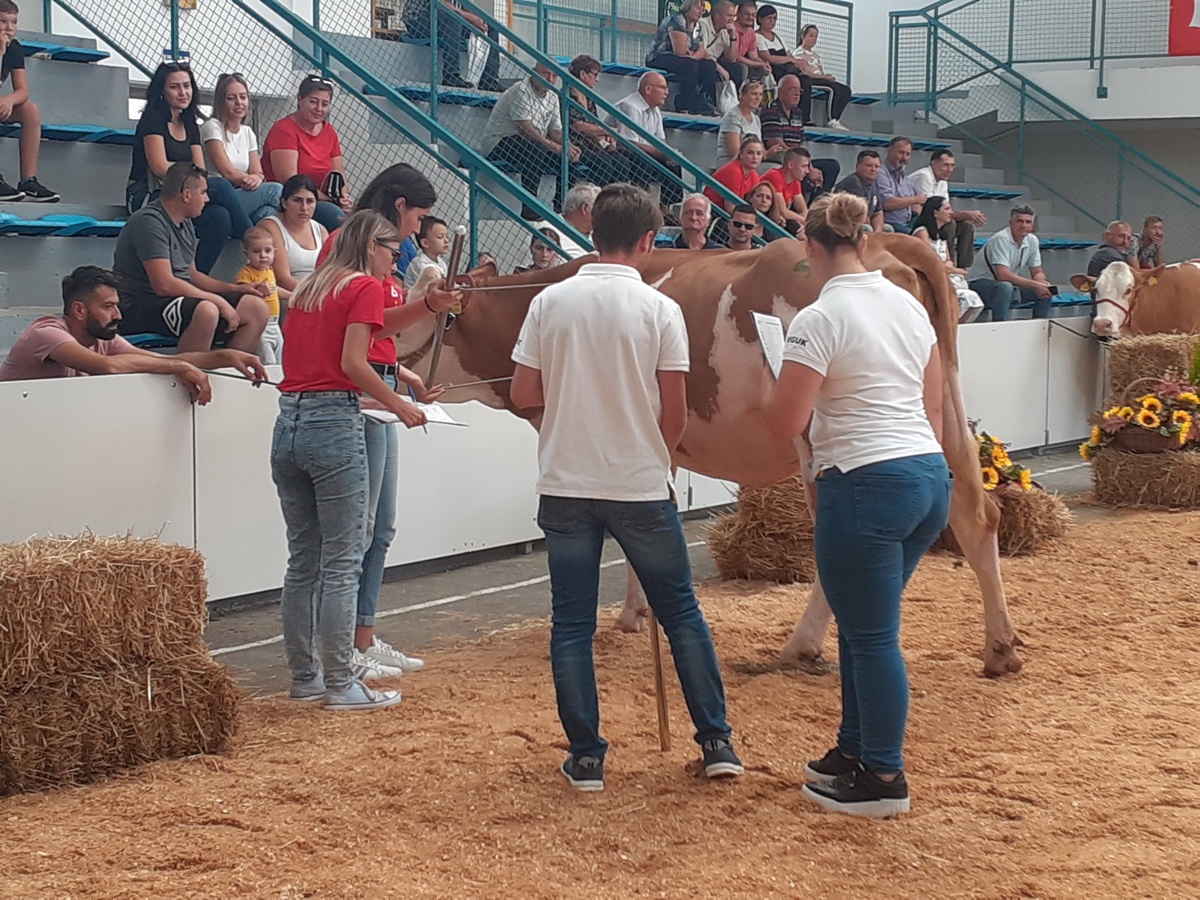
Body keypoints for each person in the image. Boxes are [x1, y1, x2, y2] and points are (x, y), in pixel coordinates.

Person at [509, 182, 744, 791]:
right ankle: (716, 741)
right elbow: (675, 413)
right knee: (682, 614)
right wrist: (661, 460)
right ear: (648, 241)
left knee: (571, 624)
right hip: (639, 483)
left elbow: (522, 395)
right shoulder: (659, 309)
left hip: (565, 482)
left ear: (592, 234)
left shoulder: (549, 302)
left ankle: (587, 756)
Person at [762, 192, 951, 818]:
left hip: (865, 481)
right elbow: (931, 406)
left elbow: (787, 419)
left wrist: (779, 381)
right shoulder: (905, 304)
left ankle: (884, 776)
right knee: (863, 624)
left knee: (873, 637)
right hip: (925, 475)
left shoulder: (818, 318)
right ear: (865, 241)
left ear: (810, 248)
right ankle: (855, 748)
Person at [272, 211, 430, 710]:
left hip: (289, 422)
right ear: (371, 247)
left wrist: (428, 306)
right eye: (390, 249)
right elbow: (354, 361)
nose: (395, 258)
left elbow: (375, 324)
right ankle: (341, 681)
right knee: (343, 561)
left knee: (304, 561)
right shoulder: (361, 285)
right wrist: (399, 402)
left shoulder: (314, 287)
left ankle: (307, 675)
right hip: (334, 423)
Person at [330, 163, 461, 679]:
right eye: (418, 218)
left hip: (379, 391)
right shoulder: (352, 249)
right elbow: (360, 331)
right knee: (359, 531)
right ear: (401, 205)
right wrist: (427, 306)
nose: (417, 232)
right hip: (359, 399)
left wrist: (403, 375)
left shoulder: (379, 255)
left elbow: (375, 334)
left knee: (379, 528)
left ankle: (361, 635)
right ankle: (344, 647)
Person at [0, 265, 265, 395]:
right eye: (108, 307)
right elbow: (107, 367)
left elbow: (166, 360)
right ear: (79, 310)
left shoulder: (105, 339)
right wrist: (179, 369)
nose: (118, 315)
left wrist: (226, 357)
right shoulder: (45, 332)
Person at [113, 161, 270, 353]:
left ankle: (224, 373)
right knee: (206, 310)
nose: (207, 199)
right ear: (187, 195)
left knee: (256, 308)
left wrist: (235, 289)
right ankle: (190, 375)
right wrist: (219, 301)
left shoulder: (185, 222)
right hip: (138, 305)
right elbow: (164, 285)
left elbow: (192, 275)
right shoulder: (149, 222)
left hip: (172, 300)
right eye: (203, 192)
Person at [128, 61, 253, 273]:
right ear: (162, 91)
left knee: (220, 218)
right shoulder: (152, 118)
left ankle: (194, 277)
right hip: (150, 194)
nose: (183, 92)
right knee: (221, 186)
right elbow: (159, 167)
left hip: (185, 191)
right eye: (175, 87)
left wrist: (193, 180)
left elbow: (200, 170)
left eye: (187, 86)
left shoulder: (190, 123)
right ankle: (254, 241)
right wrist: (192, 177)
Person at [481, 63, 581, 220]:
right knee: (534, 148)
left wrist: (568, 146)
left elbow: (556, 132)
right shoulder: (520, 89)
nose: (550, 79)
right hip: (499, 142)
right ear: (534, 73)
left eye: (554, 76)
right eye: (546, 73)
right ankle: (529, 207)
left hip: (530, 144)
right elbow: (525, 130)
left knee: (569, 155)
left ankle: (561, 207)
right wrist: (554, 146)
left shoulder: (553, 96)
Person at [262, 74, 353, 232]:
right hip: (297, 201)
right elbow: (290, 181)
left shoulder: (330, 132)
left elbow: (339, 172)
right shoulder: (284, 130)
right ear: (299, 99)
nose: (319, 109)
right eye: (313, 101)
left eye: (325, 104)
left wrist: (344, 197)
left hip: (326, 199)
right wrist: (329, 199)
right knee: (338, 220)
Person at [200, 73, 284, 225]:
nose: (239, 103)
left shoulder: (247, 132)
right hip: (220, 194)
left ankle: (260, 245)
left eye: (243, 97)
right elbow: (227, 172)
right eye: (231, 98)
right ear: (221, 102)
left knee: (268, 213)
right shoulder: (212, 127)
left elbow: (257, 172)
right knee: (275, 190)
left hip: (242, 190)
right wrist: (251, 179)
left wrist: (256, 178)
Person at [0, 0, 59, 201]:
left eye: (14, 22)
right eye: (2, 21)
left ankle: (28, 180)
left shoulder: (14, 48)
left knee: (30, 111)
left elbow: (23, 91)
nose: (9, 28)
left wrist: (9, 100)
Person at [609, 71, 683, 214]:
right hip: (623, 150)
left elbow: (660, 141)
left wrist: (670, 153)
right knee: (644, 160)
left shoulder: (655, 110)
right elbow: (629, 143)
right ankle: (639, 208)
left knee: (674, 163)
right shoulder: (630, 106)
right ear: (648, 89)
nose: (667, 92)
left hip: (643, 150)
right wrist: (663, 153)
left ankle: (666, 210)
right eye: (662, 87)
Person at [968, 205, 1053, 321]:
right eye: (1019, 221)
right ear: (1011, 223)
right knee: (1005, 287)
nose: (1024, 225)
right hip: (979, 285)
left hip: (1006, 286)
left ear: (1032, 225)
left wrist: (1041, 282)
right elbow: (1002, 275)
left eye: (1028, 222)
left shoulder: (1032, 240)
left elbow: (1037, 270)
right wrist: (1034, 284)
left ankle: (1040, 326)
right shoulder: (1001, 239)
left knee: (1046, 292)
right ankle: (999, 324)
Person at [759, 74, 839, 194]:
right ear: (780, 91)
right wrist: (806, 166)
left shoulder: (797, 112)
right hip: (781, 156)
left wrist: (809, 165)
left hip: (797, 159)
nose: (797, 94)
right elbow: (775, 143)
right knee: (800, 170)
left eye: (799, 90)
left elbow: (801, 144)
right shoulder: (771, 110)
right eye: (793, 89)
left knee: (831, 167)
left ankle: (815, 205)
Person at [907, 149, 985, 268]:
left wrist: (966, 216)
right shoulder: (925, 176)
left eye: (952, 165)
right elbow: (931, 210)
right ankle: (950, 266)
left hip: (934, 218)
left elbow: (945, 210)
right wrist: (966, 213)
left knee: (966, 226)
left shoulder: (943, 181)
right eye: (945, 165)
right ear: (933, 163)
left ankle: (964, 267)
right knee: (950, 224)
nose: (949, 170)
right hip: (915, 219)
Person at [403, 0, 502, 91]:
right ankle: (451, 76)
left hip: (445, 20)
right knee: (453, 17)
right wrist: (471, 18)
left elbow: (466, 6)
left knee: (491, 26)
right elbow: (440, 4)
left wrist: (479, 19)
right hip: (418, 21)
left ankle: (488, 80)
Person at [912, 197, 984, 323]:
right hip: (930, 279)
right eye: (947, 208)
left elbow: (948, 260)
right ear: (935, 213)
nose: (951, 212)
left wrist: (949, 268)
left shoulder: (941, 235)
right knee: (970, 298)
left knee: (974, 302)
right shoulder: (922, 233)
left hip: (946, 275)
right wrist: (955, 270)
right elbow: (930, 263)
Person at [565, 55, 631, 190]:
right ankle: (596, 202)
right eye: (595, 75)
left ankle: (614, 204)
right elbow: (577, 125)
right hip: (574, 143)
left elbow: (595, 124)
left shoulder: (589, 97)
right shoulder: (567, 95)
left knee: (622, 162)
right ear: (583, 74)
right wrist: (607, 131)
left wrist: (607, 139)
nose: (597, 79)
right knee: (604, 163)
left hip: (592, 143)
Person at [645, 0, 718, 116]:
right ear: (688, 7)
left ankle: (703, 103)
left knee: (709, 65)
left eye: (703, 9)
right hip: (660, 57)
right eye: (698, 8)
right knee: (690, 65)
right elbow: (680, 51)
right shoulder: (677, 20)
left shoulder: (697, 25)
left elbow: (702, 50)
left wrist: (692, 55)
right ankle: (684, 105)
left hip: (684, 59)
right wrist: (693, 55)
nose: (701, 12)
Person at [261, 174, 329, 295]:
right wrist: (315, 295)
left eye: (310, 201)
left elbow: (332, 270)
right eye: (297, 200)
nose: (304, 207)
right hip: (286, 294)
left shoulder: (320, 230)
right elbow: (282, 278)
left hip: (320, 292)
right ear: (284, 203)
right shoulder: (271, 226)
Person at [236, 226, 286, 364]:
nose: (263, 255)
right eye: (256, 251)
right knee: (268, 361)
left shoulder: (269, 271)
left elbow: (275, 290)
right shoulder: (246, 273)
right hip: (261, 325)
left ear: (274, 252)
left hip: (275, 324)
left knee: (281, 361)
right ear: (246, 254)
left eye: (267, 251)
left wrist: (293, 295)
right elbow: (243, 297)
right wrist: (259, 293)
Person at [792, 23, 851, 131]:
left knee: (845, 90)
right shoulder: (799, 53)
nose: (814, 39)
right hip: (811, 80)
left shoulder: (815, 55)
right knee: (833, 88)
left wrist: (825, 76)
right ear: (803, 36)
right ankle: (831, 118)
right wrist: (823, 78)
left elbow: (819, 71)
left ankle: (837, 118)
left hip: (820, 79)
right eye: (811, 36)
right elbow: (805, 72)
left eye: (815, 36)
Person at [533, 182, 598, 258]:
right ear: (585, 208)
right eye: (600, 209)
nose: (603, 215)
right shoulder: (548, 228)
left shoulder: (597, 234)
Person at [875, 137, 926, 234]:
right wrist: (915, 199)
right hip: (890, 224)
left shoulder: (903, 175)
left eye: (908, 154)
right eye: (901, 153)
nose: (904, 158)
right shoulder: (881, 172)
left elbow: (914, 203)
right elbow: (887, 203)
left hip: (907, 223)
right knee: (918, 239)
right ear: (890, 151)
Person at [703, 135, 763, 214]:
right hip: (713, 212)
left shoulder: (754, 175)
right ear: (741, 154)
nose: (755, 157)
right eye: (750, 153)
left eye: (758, 154)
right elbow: (730, 207)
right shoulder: (734, 171)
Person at [834, 150, 886, 233]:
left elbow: (878, 213)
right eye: (869, 166)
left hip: (864, 224)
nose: (873, 169)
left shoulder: (873, 183)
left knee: (887, 229)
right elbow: (861, 216)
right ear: (857, 166)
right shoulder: (853, 181)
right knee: (867, 228)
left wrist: (877, 233)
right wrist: (874, 236)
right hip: (844, 225)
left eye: (877, 166)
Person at [714, 79, 763, 169]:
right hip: (730, 167)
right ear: (743, 95)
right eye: (754, 94)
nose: (758, 98)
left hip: (749, 166)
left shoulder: (756, 119)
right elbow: (734, 152)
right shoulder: (732, 117)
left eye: (760, 94)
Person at [762, 146, 810, 235]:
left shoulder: (795, 182)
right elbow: (783, 211)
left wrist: (803, 225)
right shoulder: (775, 176)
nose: (807, 171)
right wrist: (806, 222)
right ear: (790, 165)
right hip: (766, 219)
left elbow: (803, 209)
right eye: (804, 166)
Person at [696, 0, 740, 89]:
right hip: (701, 60)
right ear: (717, 15)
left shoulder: (726, 29)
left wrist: (733, 37)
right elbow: (702, 52)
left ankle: (733, 100)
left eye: (733, 16)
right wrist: (720, 69)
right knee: (709, 67)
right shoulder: (703, 24)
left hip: (715, 61)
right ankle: (707, 100)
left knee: (738, 69)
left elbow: (732, 59)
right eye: (728, 15)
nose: (731, 20)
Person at [755, 4, 801, 85]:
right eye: (769, 17)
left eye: (774, 18)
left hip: (787, 70)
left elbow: (789, 55)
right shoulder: (757, 36)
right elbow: (767, 58)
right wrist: (789, 59)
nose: (772, 21)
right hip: (774, 71)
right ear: (760, 19)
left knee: (805, 79)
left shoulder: (778, 37)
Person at [730, 1, 771, 88]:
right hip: (728, 60)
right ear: (737, 13)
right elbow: (736, 56)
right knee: (743, 68)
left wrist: (764, 65)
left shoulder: (751, 32)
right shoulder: (731, 29)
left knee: (763, 70)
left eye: (753, 15)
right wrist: (759, 64)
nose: (750, 18)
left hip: (742, 62)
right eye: (746, 14)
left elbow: (754, 56)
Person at [403, 215, 449, 288]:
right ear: (425, 243)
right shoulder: (419, 264)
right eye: (440, 237)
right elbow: (434, 287)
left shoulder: (441, 263)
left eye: (447, 236)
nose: (446, 240)